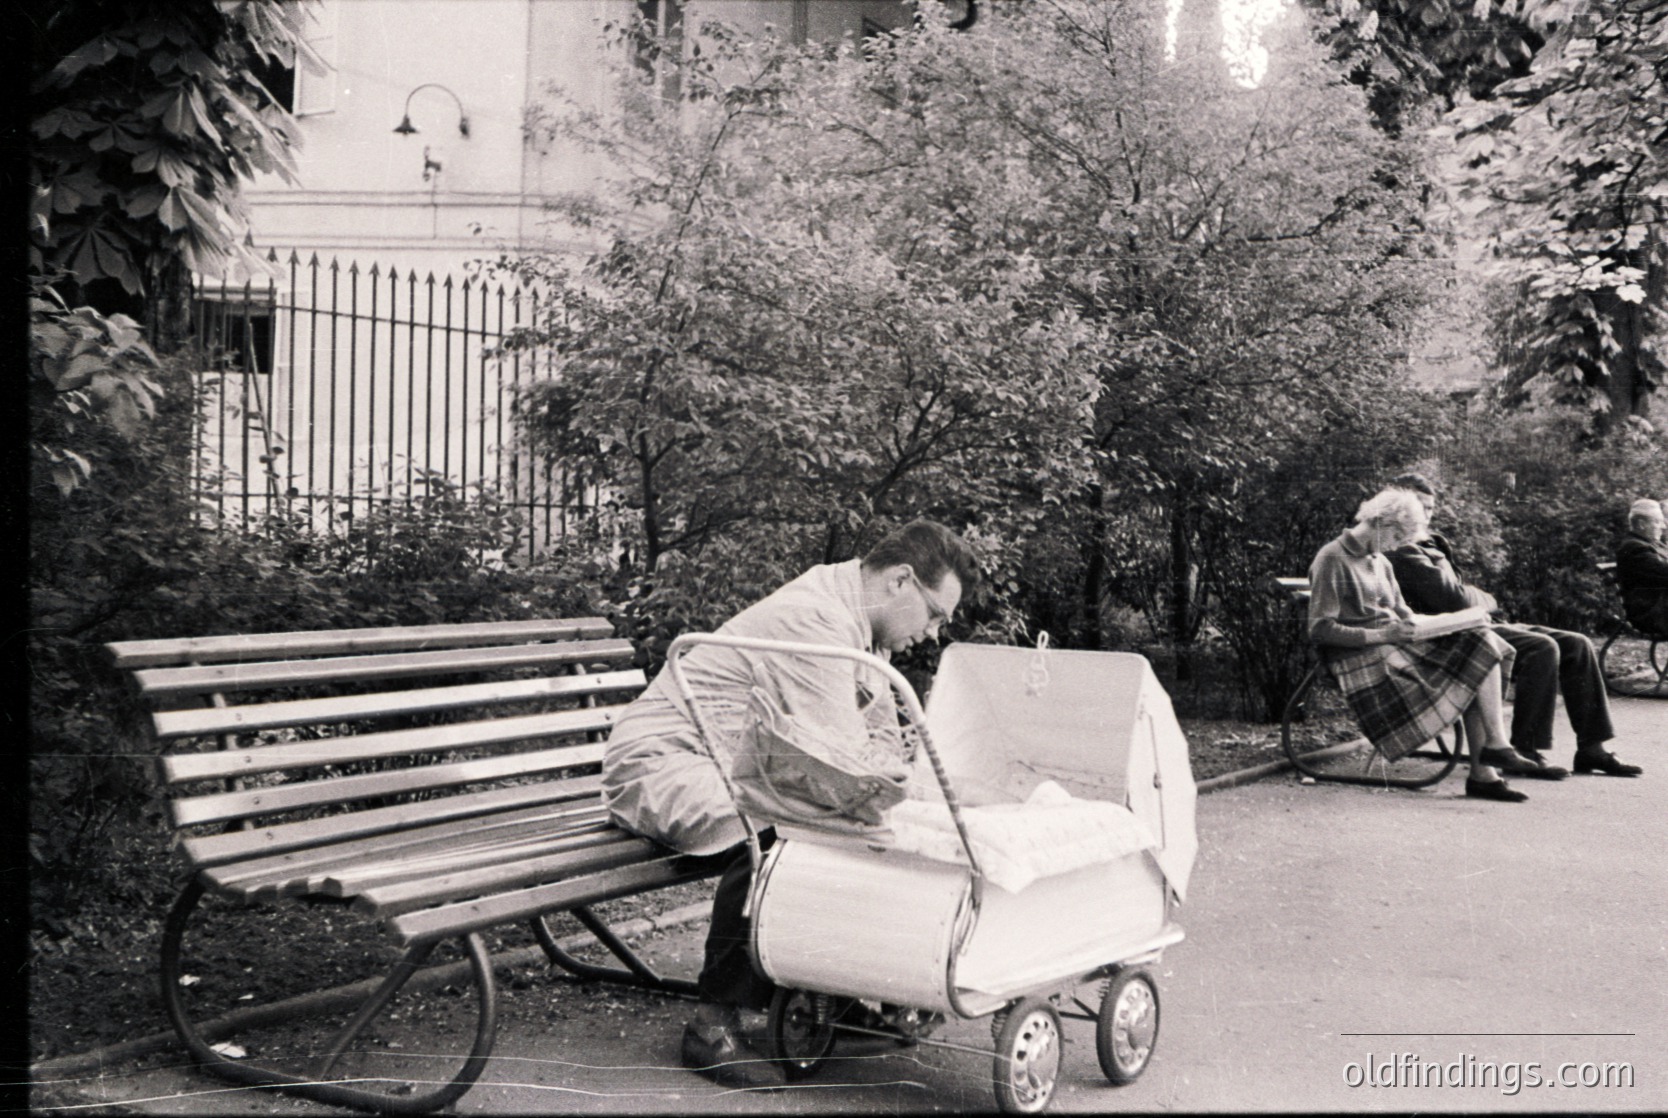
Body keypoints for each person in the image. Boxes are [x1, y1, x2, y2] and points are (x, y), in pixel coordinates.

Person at [600, 519, 981, 1088]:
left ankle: (844, 996)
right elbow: (843, 762)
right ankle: (712, 1025)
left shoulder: (860, 626)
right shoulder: (820, 619)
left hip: (724, 760)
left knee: (843, 825)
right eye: (934, 615)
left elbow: (875, 747)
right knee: (779, 832)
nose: (932, 633)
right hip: (664, 760)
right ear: (901, 580)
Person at [1383, 474, 1639, 778]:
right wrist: (1485, 599)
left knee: (1578, 644)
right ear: (1398, 509)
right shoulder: (1402, 551)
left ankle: (1592, 748)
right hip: (1447, 636)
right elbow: (1456, 599)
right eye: (1419, 507)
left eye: (1430, 509)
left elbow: (1462, 596)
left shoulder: (1429, 542)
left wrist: (1477, 601)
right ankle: (1525, 749)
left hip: (1474, 624)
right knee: (1542, 648)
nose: (1425, 515)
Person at [1307, 487, 1537, 802]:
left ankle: (1490, 763)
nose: (1398, 546)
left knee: (1481, 641)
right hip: (1359, 658)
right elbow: (1320, 629)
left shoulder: (1380, 562)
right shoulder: (1332, 557)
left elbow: (1405, 614)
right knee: (1475, 658)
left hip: (1395, 647)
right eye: (1398, 537)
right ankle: (1490, 760)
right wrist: (1382, 635)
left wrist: (1455, 622)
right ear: (1381, 523)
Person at [1617, 497, 1668, 636]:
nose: (1663, 527)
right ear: (1641, 524)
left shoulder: (1650, 545)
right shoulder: (1634, 548)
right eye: (1657, 521)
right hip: (1652, 615)